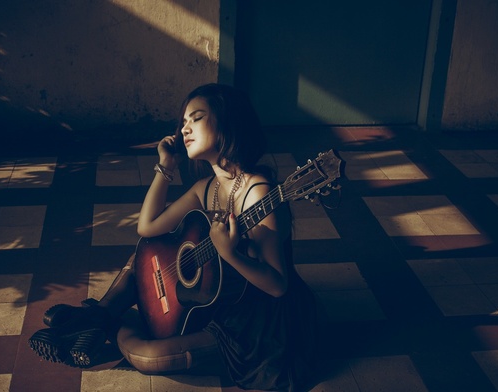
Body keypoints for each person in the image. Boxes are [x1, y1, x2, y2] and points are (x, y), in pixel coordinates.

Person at [29, 83, 318, 391]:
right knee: (145, 255)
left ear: (227, 122)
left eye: (196, 118)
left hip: (255, 324)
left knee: (147, 356)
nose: (184, 129)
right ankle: (97, 318)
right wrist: (165, 167)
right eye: (183, 122)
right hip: (213, 297)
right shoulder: (206, 187)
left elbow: (277, 286)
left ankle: (97, 325)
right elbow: (148, 228)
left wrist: (230, 253)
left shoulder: (258, 192)